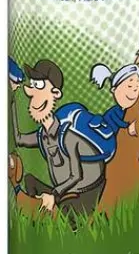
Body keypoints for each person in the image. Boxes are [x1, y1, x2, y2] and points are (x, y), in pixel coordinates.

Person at [10, 59, 105, 217]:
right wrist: (12, 97)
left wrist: (54, 195)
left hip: (84, 193)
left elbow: (76, 176)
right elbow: (19, 139)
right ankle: (38, 217)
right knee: (29, 181)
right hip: (63, 193)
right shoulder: (42, 136)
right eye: (32, 85)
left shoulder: (68, 137)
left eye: (39, 86)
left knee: (64, 214)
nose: (31, 92)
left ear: (55, 94)